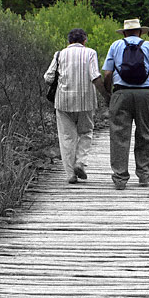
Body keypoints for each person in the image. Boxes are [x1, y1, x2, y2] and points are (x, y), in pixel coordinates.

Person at [101, 18, 149, 190]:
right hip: (144, 94)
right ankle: (144, 176)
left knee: (119, 135)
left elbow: (107, 74)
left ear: (124, 32)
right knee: (144, 133)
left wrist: (109, 93)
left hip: (121, 93)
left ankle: (120, 178)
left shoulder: (115, 46)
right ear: (139, 32)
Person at [43, 28, 107, 184]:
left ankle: (70, 174)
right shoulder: (90, 53)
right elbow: (95, 76)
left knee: (67, 138)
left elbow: (48, 77)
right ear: (84, 41)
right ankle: (80, 162)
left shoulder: (59, 54)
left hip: (63, 101)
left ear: (68, 41)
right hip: (86, 101)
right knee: (86, 132)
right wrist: (107, 96)